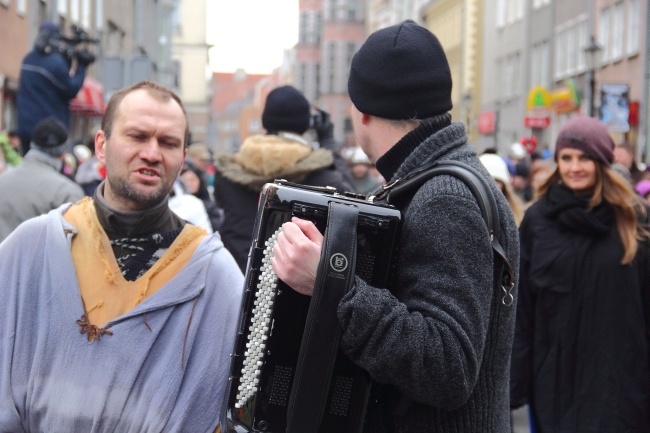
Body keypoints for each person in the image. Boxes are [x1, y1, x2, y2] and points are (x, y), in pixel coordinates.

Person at [270, 20, 520, 432]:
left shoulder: (444, 197)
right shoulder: (439, 180)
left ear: (363, 109)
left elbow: (448, 366)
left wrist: (332, 282)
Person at [0, 80, 243, 432]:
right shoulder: (32, 247)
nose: (152, 153)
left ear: (183, 159)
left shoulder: (212, 276)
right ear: (102, 145)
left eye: (169, 142)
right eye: (137, 136)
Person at [510, 116, 650, 432]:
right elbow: (523, 310)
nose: (575, 167)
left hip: (621, 379)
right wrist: (514, 385)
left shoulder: (635, 218)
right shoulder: (538, 221)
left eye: (585, 157)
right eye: (567, 158)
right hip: (555, 379)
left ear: (601, 161)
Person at [213, 84, 354, 272]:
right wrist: (328, 144)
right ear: (306, 125)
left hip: (234, 275)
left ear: (265, 123)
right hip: (294, 284)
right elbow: (353, 207)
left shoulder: (227, 174)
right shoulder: (322, 176)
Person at [16, 21, 95, 155]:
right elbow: (71, 88)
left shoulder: (28, 58)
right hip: (49, 133)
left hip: (25, 127)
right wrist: (81, 66)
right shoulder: (55, 63)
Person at [0, 117, 85, 242]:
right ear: (63, 153)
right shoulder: (67, 192)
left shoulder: (3, 181)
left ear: (32, 145)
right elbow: (78, 245)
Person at [479, 152, 525, 225]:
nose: (491, 186)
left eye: (496, 181)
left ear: (504, 185)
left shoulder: (517, 214)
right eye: (486, 181)